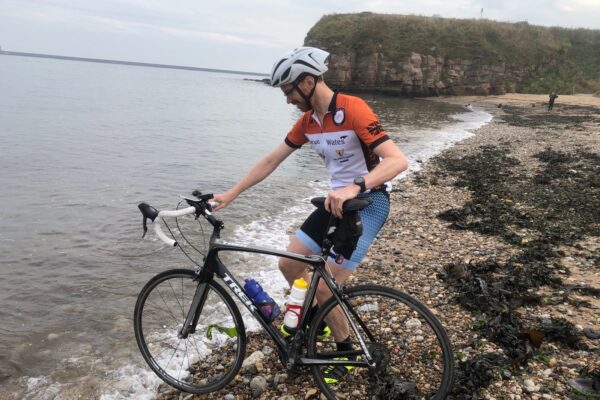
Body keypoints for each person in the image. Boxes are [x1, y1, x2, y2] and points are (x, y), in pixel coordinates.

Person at [213, 47, 408, 382]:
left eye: (289, 92)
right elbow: (271, 161)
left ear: (307, 81)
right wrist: (231, 194)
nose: (288, 100)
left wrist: (354, 186)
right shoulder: (308, 123)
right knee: (289, 263)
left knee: (324, 286)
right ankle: (317, 321)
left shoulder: (352, 109)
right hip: (334, 205)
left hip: (368, 204)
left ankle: (345, 350)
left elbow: (396, 161)